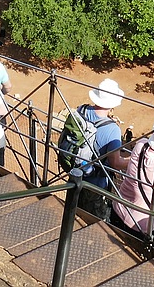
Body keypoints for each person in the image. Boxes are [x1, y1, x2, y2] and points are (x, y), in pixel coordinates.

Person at [58, 78, 126, 221]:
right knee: (96, 221)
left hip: (75, 173)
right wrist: (136, 160)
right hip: (95, 183)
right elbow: (116, 163)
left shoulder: (81, 110)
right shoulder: (112, 129)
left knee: (73, 211)